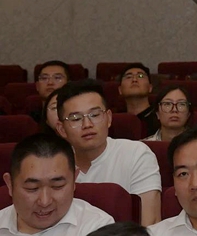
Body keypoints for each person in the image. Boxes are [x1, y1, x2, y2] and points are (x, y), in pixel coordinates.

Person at [55, 81, 162, 226]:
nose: (87, 124)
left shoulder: (136, 154)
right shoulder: (53, 166)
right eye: (76, 118)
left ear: (109, 118)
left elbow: (149, 224)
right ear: (61, 129)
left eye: (94, 115)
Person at [0, 133, 114, 235]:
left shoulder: (97, 228)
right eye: (32, 188)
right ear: (10, 184)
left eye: (57, 186)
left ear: (74, 180)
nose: (45, 202)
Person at [118, 64, 158, 137]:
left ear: (150, 88)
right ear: (120, 90)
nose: (134, 80)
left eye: (140, 76)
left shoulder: (160, 117)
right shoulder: (115, 121)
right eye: (129, 77)